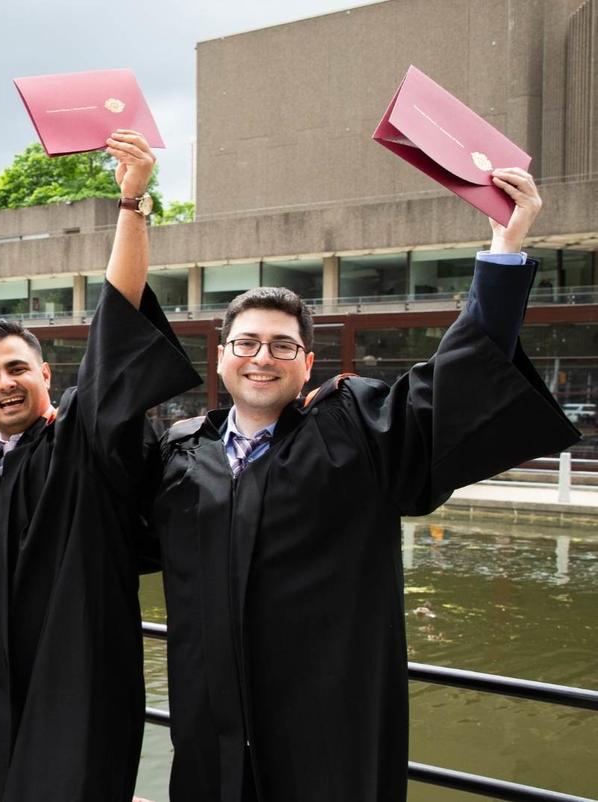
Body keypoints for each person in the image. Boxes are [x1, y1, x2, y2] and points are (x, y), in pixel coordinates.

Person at [145, 172, 581, 802]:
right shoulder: (183, 453)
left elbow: (451, 389)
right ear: (220, 356)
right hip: (209, 715)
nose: (261, 357)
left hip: (325, 717)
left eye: (281, 345)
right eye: (246, 342)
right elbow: (99, 532)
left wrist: (503, 250)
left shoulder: (353, 432)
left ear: (306, 363)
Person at [0, 130, 202, 800]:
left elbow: (115, 321)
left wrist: (132, 204)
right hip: (4, 694)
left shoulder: (83, 443)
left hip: (82, 686)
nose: (4, 383)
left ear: (46, 374)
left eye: (17, 369)